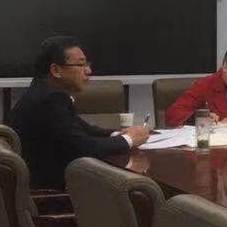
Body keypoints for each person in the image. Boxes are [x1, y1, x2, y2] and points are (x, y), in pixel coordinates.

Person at [8, 35, 149, 190]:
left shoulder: (43, 92)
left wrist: (118, 134)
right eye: (81, 65)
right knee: (132, 190)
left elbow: (83, 129)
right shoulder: (50, 100)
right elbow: (85, 148)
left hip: (47, 182)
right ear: (56, 70)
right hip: (51, 192)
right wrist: (129, 140)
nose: (88, 71)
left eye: (87, 64)